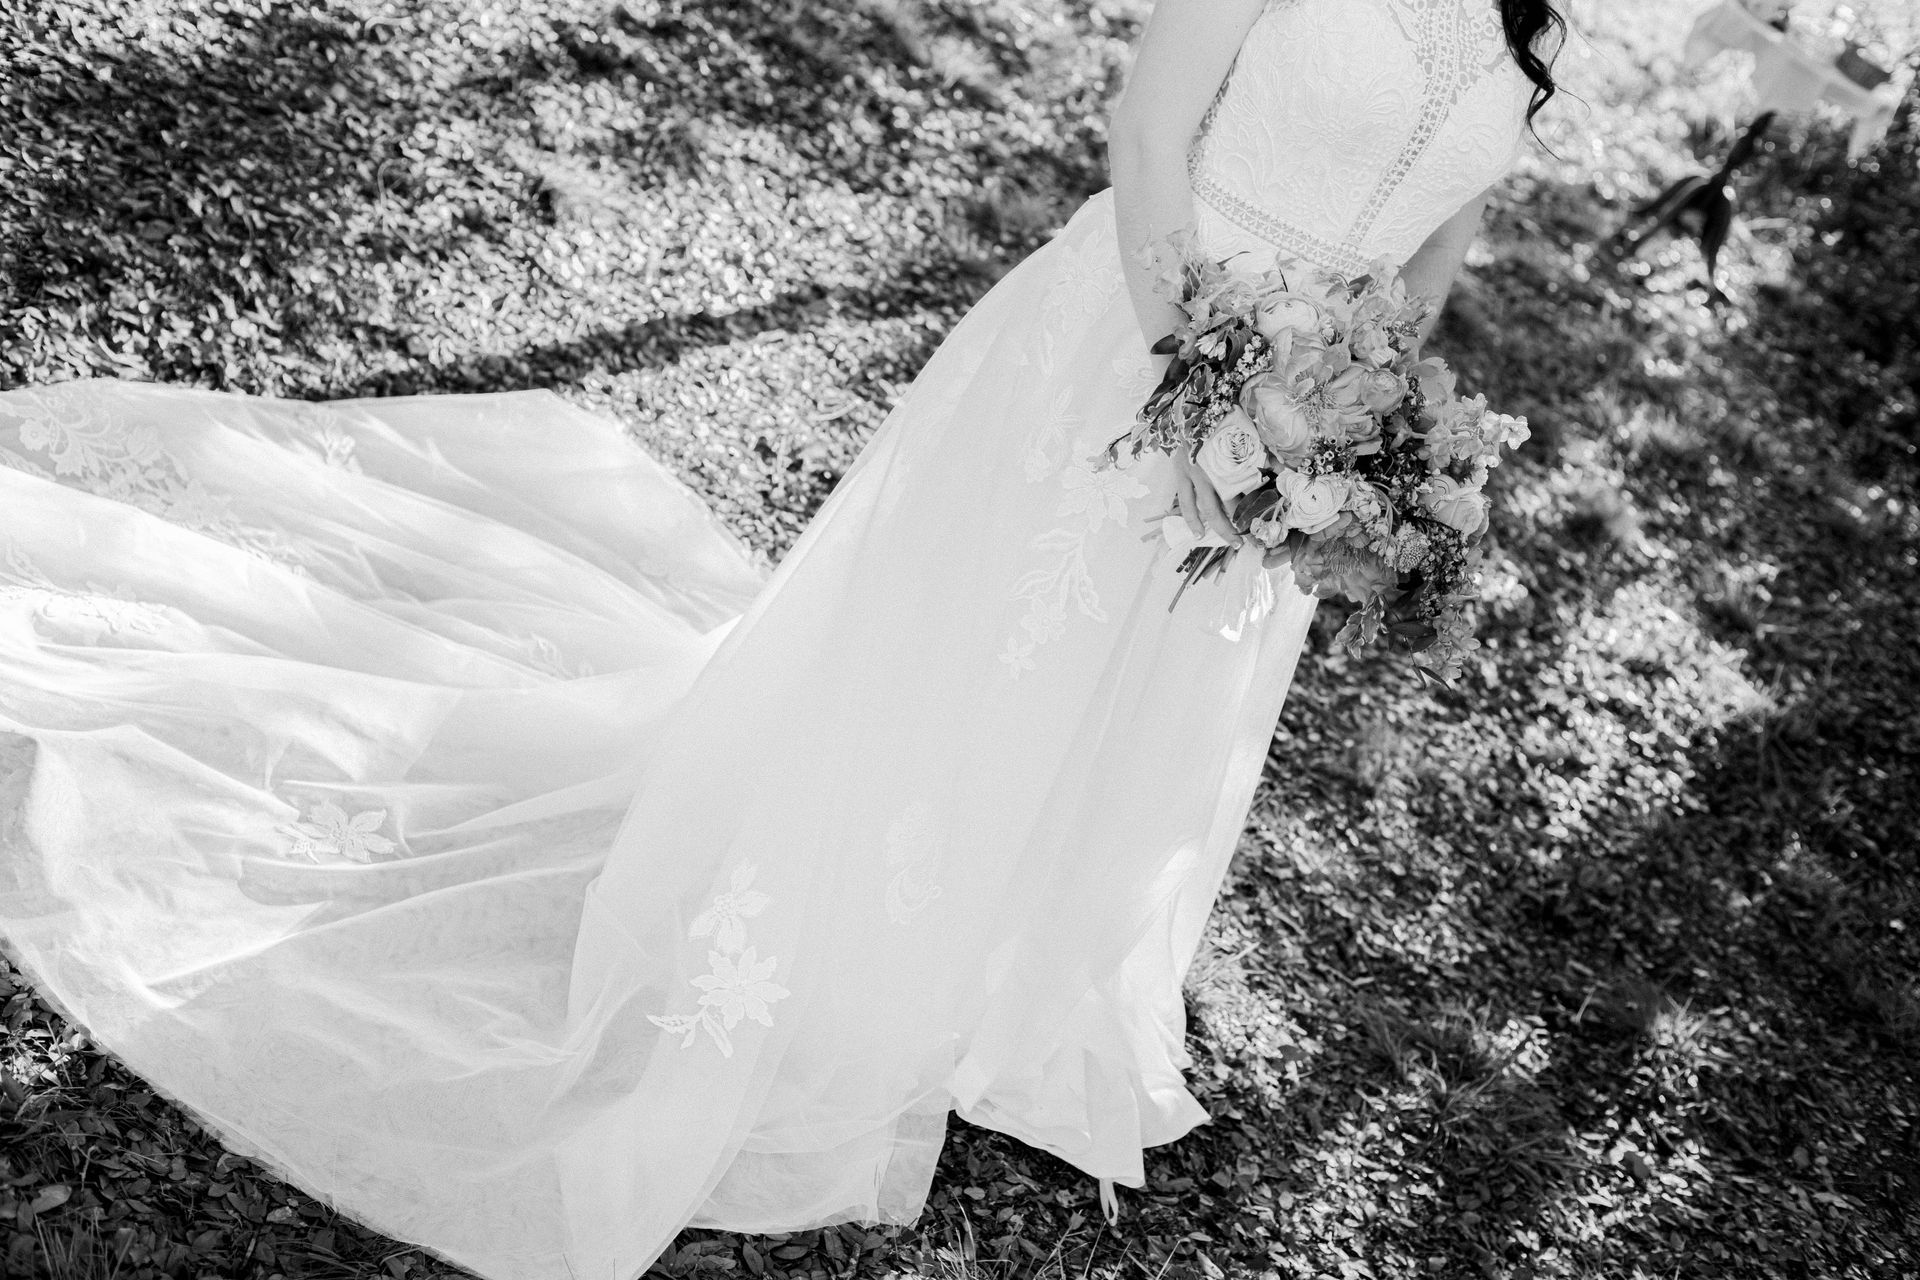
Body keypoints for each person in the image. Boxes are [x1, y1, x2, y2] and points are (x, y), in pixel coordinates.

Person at [0, 1, 1561, 1276]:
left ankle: (1016, 984)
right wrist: (1206, 388)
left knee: (1131, 707)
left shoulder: (1529, 39)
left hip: (1299, 438)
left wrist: (1348, 443)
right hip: (1130, 360)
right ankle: (854, 961)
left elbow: (1433, 262)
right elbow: (1151, 142)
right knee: (977, 666)